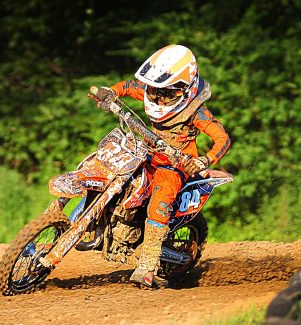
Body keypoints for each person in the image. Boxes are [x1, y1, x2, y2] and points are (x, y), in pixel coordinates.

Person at [96, 44, 230, 288]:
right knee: (110, 166)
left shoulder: (195, 111)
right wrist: (109, 92)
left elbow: (222, 138)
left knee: (160, 203)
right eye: (155, 91)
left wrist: (204, 160)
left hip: (175, 163)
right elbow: (127, 87)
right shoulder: (152, 91)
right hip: (145, 151)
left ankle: (147, 266)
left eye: (167, 93)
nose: (158, 97)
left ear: (185, 90)